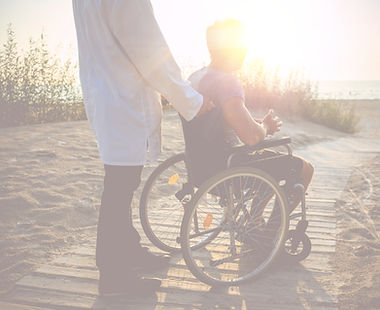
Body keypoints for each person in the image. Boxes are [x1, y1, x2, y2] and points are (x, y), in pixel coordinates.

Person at [72, 0, 214, 297]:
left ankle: (129, 253)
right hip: (122, 99)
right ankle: (113, 277)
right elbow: (150, 52)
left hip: (106, 94)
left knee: (121, 184)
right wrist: (192, 101)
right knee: (119, 188)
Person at [182, 19, 314, 215]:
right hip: (229, 168)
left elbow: (212, 122)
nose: (246, 51)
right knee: (304, 168)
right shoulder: (226, 82)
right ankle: (270, 234)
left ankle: (256, 220)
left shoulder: (195, 78)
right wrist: (266, 127)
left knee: (268, 161)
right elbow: (251, 138)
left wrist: (252, 123)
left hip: (200, 168)